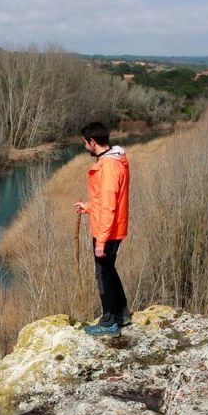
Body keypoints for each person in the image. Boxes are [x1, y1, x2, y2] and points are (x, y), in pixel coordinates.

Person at [73, 122, 131, 337]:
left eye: (85, 143)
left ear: (93, 142)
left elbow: (108, 206)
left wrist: (101, 241)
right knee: (109, 271)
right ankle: (122, 313)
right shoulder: (114, 161)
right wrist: (87, 207)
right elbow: (105, 200)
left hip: (107, 230)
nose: (85, 147)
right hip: (112, 227)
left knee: (103, 275)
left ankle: (109, 322)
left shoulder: (108, 167)